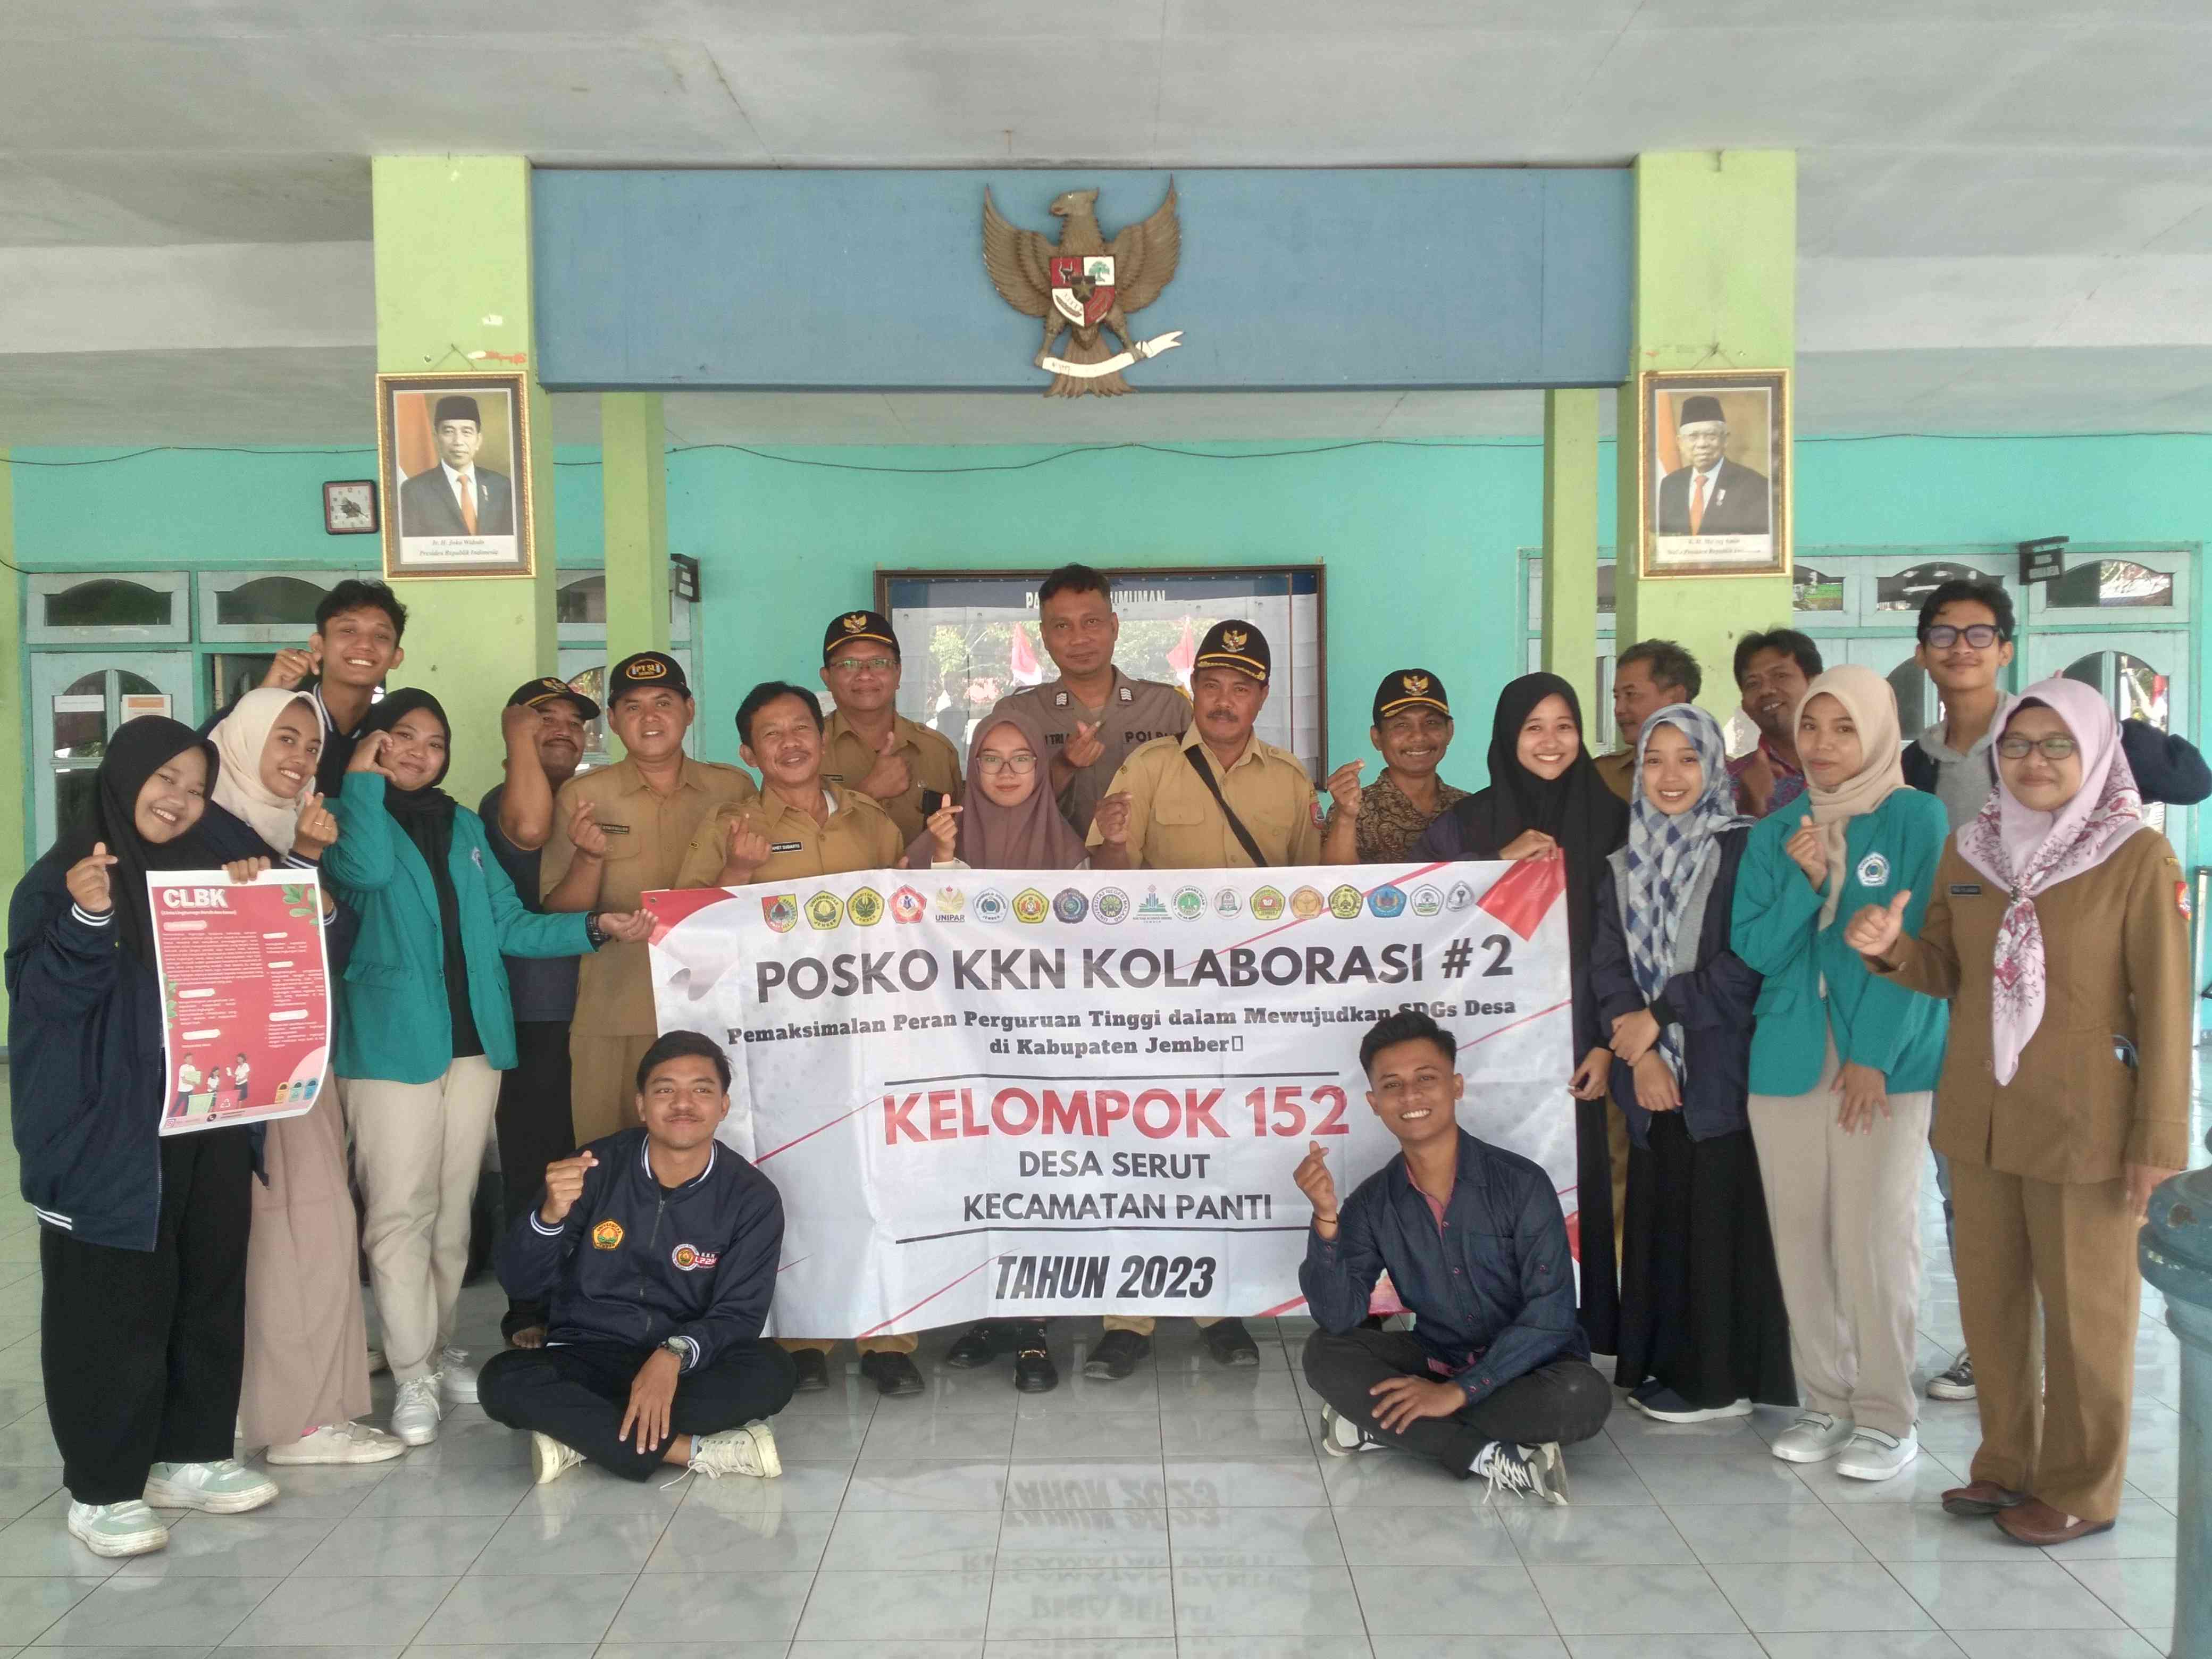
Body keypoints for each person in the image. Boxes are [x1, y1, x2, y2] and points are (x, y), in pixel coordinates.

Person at [1847, 680, 2189, 1544]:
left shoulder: (2135, 859)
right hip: (1981, 1116)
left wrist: (2160, 1141)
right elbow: (1946, 970)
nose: (2034, 763)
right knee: (1991, 1306)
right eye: (2017, 746)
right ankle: (2007, 1465)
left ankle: (2084, 1488)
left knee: (2087, 1317)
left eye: (2055, 746)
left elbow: (2167, 1011)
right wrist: (1893, 951)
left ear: (2095, 753)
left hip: (2089, 1126)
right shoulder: (1973, 850)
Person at [324, 689, 651, 1448]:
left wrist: (596, 926)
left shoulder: (464, 826)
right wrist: (362, 780)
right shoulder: (346, 819)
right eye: (399, 738)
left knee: (450, 1212)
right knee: (400, 1213)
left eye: (433, 743)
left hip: (474, 1047)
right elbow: (367, 875)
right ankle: (410, 1376)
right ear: (371, 745)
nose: (418, 753)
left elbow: (508, 926)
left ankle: (434, 1353)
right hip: (390, 1049)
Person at [6, 717, 280, 1557]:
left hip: (204, 1118)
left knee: (204, 1288)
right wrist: (90, 920)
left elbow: (289, 963)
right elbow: (44, 1003)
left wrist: (270, 894)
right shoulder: (63, 880)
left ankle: (191, 1453)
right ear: (122, 779)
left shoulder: (208, 873)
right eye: (165, 780)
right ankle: (103, 1488)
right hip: (104, 1135)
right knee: (109, 1309)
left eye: (197, 789)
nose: (181, 801)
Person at [1081, 619, 1318, 1379]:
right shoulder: (1147, 768)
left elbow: (1315, 901)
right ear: (1193, 691)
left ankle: (1222, 1306)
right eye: (1211, 685)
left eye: (1241, 687)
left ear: (1262, 696)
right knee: (1145, 1155)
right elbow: (1104, 890)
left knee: (1230, 1152)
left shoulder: (1290, 781)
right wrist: (1114, 846)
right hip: (1156, 1006)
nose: (1224, 700)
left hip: (1251, 1013)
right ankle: (1130, 1318)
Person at [1729, 665, 1949, 1481]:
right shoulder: (1775, 830)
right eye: (1812, 728)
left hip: (1881, 1061)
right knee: (1803, 1240)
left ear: (1878, 733)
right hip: (1787, 1061)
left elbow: (1921, 944)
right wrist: (1806, 881)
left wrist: (1873, 1060)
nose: (1822, 746)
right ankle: (1825, 1400)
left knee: (1876, 1240)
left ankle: (1888, 1416)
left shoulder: (1914, 818)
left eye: (1843, 728)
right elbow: (1757, 949)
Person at [673, 682, 920, 1397]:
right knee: (796, 1185)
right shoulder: (731, 823)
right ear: (749, 752)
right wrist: (740, 870)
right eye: (771, 733)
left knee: (877, 1178)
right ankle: (806, 1335)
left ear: (822, 735)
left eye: (801, 727)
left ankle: (888, 1335)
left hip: (867, 1038)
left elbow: (904, 919)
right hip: (775, 1045)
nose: (790, 741)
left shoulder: (871, 821)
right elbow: (684, 927)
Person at [203, 686, 407, 1468]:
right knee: (291, 1238)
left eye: (310, 745)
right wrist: (299, 866)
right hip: (248, 1077)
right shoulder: (209, 830)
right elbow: (234, 954)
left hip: (297, 1061)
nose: (296, 758)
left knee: (312, 1233)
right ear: (240, 739)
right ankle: (298, 1422)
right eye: (282, 739)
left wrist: (307, 867)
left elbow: (323, 947)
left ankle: (301, 1408)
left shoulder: (288, 824)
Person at [1296, 1011, 1612, 1501]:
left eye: (1426, 1079)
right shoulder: (1374, 1201)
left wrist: (1460, 1392)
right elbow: (1339, 1316)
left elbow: (1551, 1318)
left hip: (1528, 1371)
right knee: (1325, 1353)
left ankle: (1378, 1427)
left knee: (1582, 1397)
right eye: (1393, 1085)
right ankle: (1484, 1455)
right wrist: (1325, 1220)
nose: (1411, 1096)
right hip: (1437, 1357)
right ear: (1374, 1103)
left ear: (1456, 1085)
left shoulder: (1521, 1184)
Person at [1411, 673, 1630, 1353]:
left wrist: (1601, 1042)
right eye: (1533, 726)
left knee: (1578, 1188)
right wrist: (1492, 867)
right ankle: (1475, 1329)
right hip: (1487, 1047)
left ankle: (1567, 1332)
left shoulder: (1614, 821)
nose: (1550, 741)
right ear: (1508, 737)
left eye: (1564, 725)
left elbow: (1623, 940)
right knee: (1481, 1185)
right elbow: (1419, 920)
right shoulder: (1465, 826)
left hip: (1578, 1051)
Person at [1589, 704, 1793, 1423]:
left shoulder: (1744, 852)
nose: (1670, 776)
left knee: (1717, 1221)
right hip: (1651, 1071)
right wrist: (1638, 1053)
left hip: (1720, 1071)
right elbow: (1608, 967)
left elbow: (1747, 965)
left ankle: (1719, 1382)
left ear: (1713, 768)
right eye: (1654, 759)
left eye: (1687, 758)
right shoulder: (1624, 864)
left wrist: (1662, 1017)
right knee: (1664, 1216)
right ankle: (1665, 1365)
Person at [479, 1032, 795, 1486]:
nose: (683, 1104)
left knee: (772, 1374)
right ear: (642, 1105)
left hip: (685, 1365)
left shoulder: (751, 1197)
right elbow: (521, 1281)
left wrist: (672, 1355)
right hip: (586, 1353)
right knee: (500, 1381)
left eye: (701, 1091)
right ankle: (690, 1450)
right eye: (665, 1090)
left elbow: (739, 1314)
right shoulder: (593, 1168)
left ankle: (581, 1434)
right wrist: (548, 1216)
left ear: (723, 1106)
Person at [906, 705, 1091, 1394]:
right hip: (955, 1049)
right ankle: (982, 1314)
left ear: (1041, 771)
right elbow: (906, 942)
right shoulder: (933, 843)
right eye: (991, 757)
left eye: (1020, 758)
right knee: (973, 1181)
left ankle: (1034, 1324)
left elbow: (1087, 949)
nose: (1006, 771)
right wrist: (945, 865)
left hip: (1041, 1050)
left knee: (1035, 1179)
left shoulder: (1069, 847)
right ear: (971, 768)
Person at [539, 652, 757, 1147]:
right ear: (613, 720)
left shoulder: (733, 788)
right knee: (606, 1155)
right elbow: (560, 913)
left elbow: (756, 897)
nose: (650, 717)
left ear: (690, 710)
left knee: (724, 1150)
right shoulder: (583, 796)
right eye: (632, 707)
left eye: (664, 702)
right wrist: (590, 859)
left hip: (717, 1006)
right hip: (617, 1008)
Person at [1898, 577, 2017, 1406]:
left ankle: (2038, 1340)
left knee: (2035, 1177)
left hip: (2039, 999)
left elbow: (2187, 776)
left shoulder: (2042, 738)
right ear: (1922, 652)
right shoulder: (1914, 762)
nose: (1960, 650)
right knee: (1960, 1179)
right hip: (1945, 996)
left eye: (1978, 636)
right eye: (1944, 635)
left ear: (2005, 647)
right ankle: (1991, 1345)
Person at [480, 676, 600, 1349]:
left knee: (589, 1155)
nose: (560, 729)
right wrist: (518, 740)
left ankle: (583, 1292)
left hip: (596, 1002)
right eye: (541, 719)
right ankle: (527, 1304)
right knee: (535, 1161)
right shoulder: (507, 800)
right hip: (534, 1012)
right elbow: (529, 831)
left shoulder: (591, 799)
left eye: (572, 722)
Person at [988, 565, 1192, 836]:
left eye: (1091, 622)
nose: (1079, 638)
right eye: (1062, 626)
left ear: (1114, 626)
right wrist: (1063, 765)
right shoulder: (1016, 714)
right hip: (1049, 874)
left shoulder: (1168, 707)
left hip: (1152, 874)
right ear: (1045, 637)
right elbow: (994, 812)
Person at [817, 610, 965, 846]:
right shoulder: (805, 750)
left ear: (898, 674)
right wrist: (867, 793)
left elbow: (959, 840)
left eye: (879, 663)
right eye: (848, 664)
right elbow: (789, 839)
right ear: (827, 678)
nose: (865, 675)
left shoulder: (937, 751)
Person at [253, 579, 410, 793]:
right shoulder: (279, 714)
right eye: (348, 631)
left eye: (381, 636)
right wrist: (265, 697)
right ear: (319, 645)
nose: (365, 644)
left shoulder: (390, 737)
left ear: (396, 658)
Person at [1321, 669, 1468, 864]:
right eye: (1401, 725)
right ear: (1377, 738)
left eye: (1431, 722)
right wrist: (1346, 818)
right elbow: (1337, 886)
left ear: (1449, 731)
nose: (1418, 736)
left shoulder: (1468, 809)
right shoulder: (1355, 809)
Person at [1729, 629, 1823, 817]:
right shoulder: (1732, 781)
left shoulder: (1860, 764)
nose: (1766, 691)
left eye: (1780, 676)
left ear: (1816, 684)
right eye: (1753, 684)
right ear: (1745, 707)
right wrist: (1751, 808)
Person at [396, 395, 515, 538]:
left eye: (466, 432)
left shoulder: (501, 486)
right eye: (449, 431)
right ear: (436, 438)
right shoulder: (414, 490)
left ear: (478, 440)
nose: (458, 441)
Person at [1597, 640, 1700, 801]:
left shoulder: (1724, 775)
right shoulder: (1601, 776)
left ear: (1676, 697)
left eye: (1631, 694)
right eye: (1617, 697)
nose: (1619, 709)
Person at [1655, 395, 1770, 537]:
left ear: (1725, 440)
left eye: (1711, 436)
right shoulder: (1670, 485)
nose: (1702, 444)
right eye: (1693, 436)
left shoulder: (1755, 486)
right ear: (1680, 443)